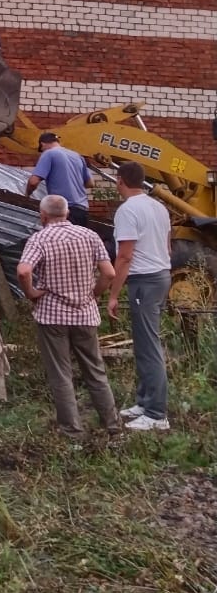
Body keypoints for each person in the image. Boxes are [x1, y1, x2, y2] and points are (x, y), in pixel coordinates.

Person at [17, 194, 120, 440]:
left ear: (43, 216)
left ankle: (72, 432)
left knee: (61, 374)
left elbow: (23, 270)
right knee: (95, 371)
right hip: (85, 315)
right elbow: (109, 272)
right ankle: (113, 426)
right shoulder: (90, 236)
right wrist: (93, 294)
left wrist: (31, 292)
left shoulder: (39, 238)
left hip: (52, 316)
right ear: (67, 213)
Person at [108, 161, 171, 432]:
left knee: (148, 346)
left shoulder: (127, 211)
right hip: (160, 275)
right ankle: (145, 402)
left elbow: (125, 256)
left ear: (120, 180)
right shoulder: (159, 207)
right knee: (145, 342)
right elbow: (167, 247)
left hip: (143, 281)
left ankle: (157, 414)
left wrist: (113, 294)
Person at [25, 132, 93, 226]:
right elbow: (90, 183)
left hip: (62, 210)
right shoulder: (77, 156)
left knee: (59, 239)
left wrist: (27, 195)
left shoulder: (49, 153)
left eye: (42, 149)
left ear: (42, 144)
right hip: (82, 209)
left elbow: (33, 182)